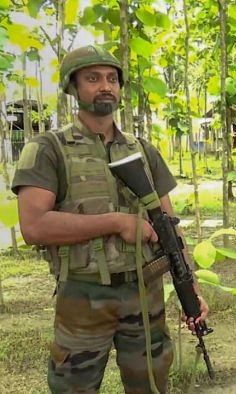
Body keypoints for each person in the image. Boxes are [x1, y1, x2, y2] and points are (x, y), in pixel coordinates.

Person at [12, 44, 209, 393]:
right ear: (74, 88)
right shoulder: (47, 149)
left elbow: (168, 221)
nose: (105, 86)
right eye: (93, 78)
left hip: (144, 293)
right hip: (84, 296)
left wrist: (189, 284)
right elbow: (34, 226)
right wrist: (117, 222)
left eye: (112, 79)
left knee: (151, 383)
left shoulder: (143, 149)